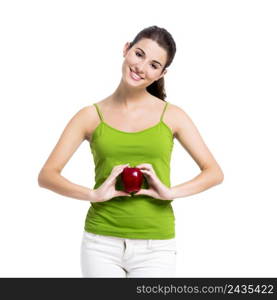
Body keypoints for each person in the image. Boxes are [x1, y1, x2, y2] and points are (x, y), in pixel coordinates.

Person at [38, 25, 224, 278]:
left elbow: (214, 172)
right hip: (100, 243)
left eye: (154, 64)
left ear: (162, 73)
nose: (141, 67)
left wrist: (170, 192)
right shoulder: (89, 116)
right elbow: (47, 175)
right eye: (139, 54)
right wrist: (94, 194)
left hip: (156, 246)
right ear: (126, 49)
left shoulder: (173, 116)